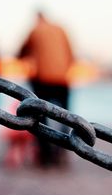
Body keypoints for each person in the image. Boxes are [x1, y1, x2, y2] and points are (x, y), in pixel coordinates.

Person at [18, 11, 75, 167]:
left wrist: (23, 59)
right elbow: (70, 53)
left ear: (37, 18)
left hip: (42, 79)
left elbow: (22, 51)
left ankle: (45, 155)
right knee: (65, 116)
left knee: (40, 117)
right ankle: (63, 149)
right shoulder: (60, 29)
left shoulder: (35, 30)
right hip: (62, 79)